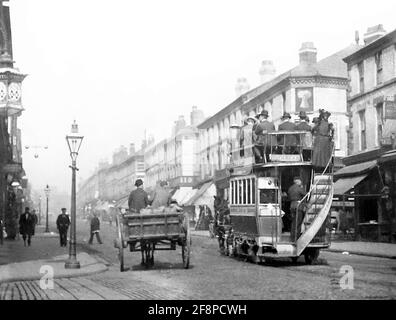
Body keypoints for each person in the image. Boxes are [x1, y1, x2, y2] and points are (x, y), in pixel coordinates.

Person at [288, 177, 307, 242]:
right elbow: (306, 194)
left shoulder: (290, 188)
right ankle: (296, 238)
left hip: (292, 206)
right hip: (298, 206)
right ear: (298, 181)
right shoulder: (299, 188)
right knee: (298, 223)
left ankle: (292, 237)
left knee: (293, 222)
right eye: (300, 181)